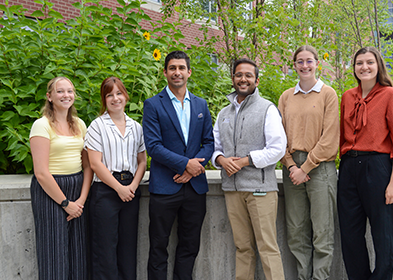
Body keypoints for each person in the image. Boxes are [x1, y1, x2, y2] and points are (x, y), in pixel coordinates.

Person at [338, 46, 393, 280]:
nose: (364, 67)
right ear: (354, 67)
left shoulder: (391, 95)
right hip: (349, 168)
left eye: (369, 62)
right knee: (350, 234)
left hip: (377, 168)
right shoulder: (348, 97)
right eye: (359, 63)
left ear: (378, 65)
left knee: (383, 234)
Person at [212, 58, 287, 280]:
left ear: (256, 79)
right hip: (233, 189)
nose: (243, 79)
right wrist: (221, 159)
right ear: (233, 78)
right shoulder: (223, 113)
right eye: (238, 75)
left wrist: (246, 161)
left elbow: (277, 148)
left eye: (248, 75)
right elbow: (214, 146)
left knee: (268, 247)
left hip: (260, 189)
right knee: (242, 248)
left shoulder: (267, 109)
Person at [143, 50, 214, 280]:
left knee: (189, 247)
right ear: (165, 72)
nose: (177, 72)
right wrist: (185, 165)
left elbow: (209, 143)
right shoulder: (153, 105)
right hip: (165, 187)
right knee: (158, 248)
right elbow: (153, 146)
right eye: (172, 68)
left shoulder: (201, 105)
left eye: (181, 68)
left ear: (189, 72)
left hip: (195, 189)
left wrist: (193, 171)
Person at [277, 45, 339, 280]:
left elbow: (330, 137)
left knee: (322, 231)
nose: (304, 66)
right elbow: (278, 136)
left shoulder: (328, 94)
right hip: (292, 169)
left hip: (320, 168)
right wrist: (292, 165)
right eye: (300, 61)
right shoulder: (286, 96)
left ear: (317, 63)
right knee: (296, 231)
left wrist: (306, 167)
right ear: (294, 65)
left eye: (309, 61)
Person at [30, 76, 93, 280]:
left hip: (78, 187)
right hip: (51, 190)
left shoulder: (79, 124)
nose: (66, 95)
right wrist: (66, 203)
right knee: (53, 254)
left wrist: (81, 200)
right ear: (49, 97)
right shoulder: (41, 125)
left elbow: (87, 165)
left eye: (70, 91)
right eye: (60, 91)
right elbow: (40, 172)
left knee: (79, 253)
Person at [85, 77, 147, 280]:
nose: (115, 98)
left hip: (131, 192)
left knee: (128, 248)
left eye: (119, 93)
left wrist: (133, 186)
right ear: (104, 99)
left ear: (126, 96)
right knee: (105, 250)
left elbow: (142, 162)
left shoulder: (136, 127)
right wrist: (119, 188)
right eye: (109, 95)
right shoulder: (97, 126)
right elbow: (95, 164)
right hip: (105, 192)